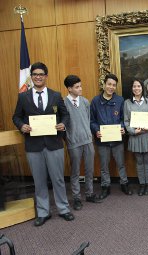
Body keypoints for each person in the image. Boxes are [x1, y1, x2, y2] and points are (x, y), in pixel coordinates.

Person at [12, 62, 74, 226]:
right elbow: (16, 117)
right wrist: (21, 126)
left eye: (41, 74)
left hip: (54, 144)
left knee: (58, 179)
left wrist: (63, 124)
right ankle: (43, 211)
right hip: (33, 146)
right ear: (31, 77)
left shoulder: (55, 95)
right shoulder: (23, 97)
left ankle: (63, 209)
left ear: (46, 76)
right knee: (39, 181)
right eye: (35, 74)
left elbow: (65, 115)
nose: (38, 77)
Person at [90, 73, 132, 199]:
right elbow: (91, 121)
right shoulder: (95, 101)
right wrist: (96, 130)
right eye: (109, 84)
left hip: (117, 140)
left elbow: (123, 119)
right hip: (102, 140)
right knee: (104, 166)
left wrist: (122, 127)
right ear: (104, 85)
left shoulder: (120, 100)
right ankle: (105, 186)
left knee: (121, 164)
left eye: (114, 85)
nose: (111, 87)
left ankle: (124, 184)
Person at [63, 75, 102, 210]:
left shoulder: (85, 102)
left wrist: (89, 135)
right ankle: (76, 198)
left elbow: (88, 120)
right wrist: (68, 138)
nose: (80, 89)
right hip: (73, 143)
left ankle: (89, 194)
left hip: (87, 141)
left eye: (80, 86)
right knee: (75, 171)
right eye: (77, 87)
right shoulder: (63, 104)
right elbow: (62, 125)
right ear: (69, 89)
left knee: (89, 169)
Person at [124, 79, 148, 196]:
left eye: (139, 86)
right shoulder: (127, 103)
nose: (136, 88)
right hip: (135, 137)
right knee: (139, 161)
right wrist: (133, 131)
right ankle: (142, 184)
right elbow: (126, 121)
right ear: (132, 88)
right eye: (134, 86)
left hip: (147, 136)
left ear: (142, 88)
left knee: (147, 161)